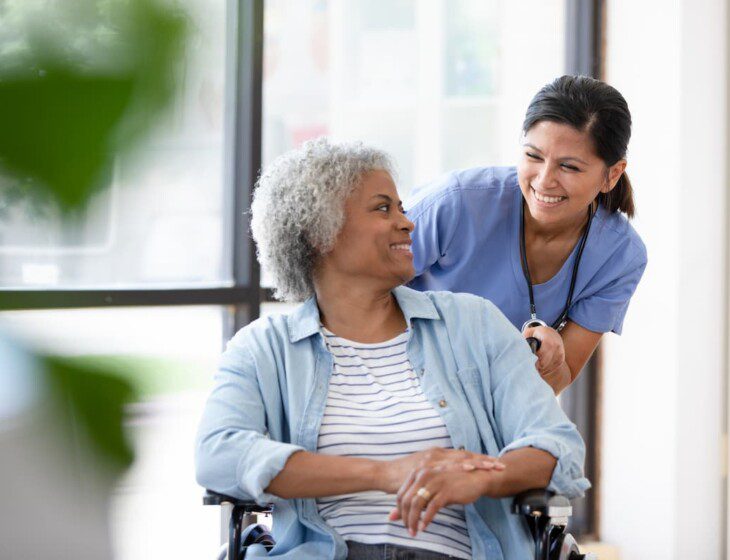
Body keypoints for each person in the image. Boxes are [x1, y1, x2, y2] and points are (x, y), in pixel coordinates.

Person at [195, 138, 589, 560]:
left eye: (400, 207)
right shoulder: (264, 349)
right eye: (384, 208)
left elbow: (557, 444)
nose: (407, 223)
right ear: (320, 234)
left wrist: (483, 478)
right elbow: (219, 454)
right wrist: (384, 474)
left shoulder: (474, 323)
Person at [407, 75, 647, 394]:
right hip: (394, 386)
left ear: (612, 174)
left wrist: (552, 362)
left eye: (569, 167)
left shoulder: (619, 256)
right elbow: (351, 290)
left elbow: (560, 378)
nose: (544, 180)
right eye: (534, 156)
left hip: (488, 408)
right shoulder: (457, 202)